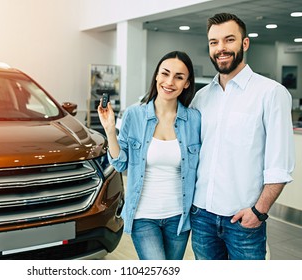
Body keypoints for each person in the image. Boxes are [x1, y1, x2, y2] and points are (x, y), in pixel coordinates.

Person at [190, 13, 295, 260]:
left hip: (243, 220)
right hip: (202, 217)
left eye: (229, 40)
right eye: (214, 42)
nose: (221, 48)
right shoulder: (201, 98)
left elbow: (279, 165)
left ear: (244, 44)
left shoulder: (271, 93)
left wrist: (259, 212)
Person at [98, 51, 201, 260]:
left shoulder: (194, 120)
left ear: (187, 84)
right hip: (143, 216)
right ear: (156, 76)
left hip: (178, 217)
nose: (170, 82)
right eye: (165, 73)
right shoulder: (134, 115)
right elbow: (120, 165)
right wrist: (109, 130)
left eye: (179, 77)